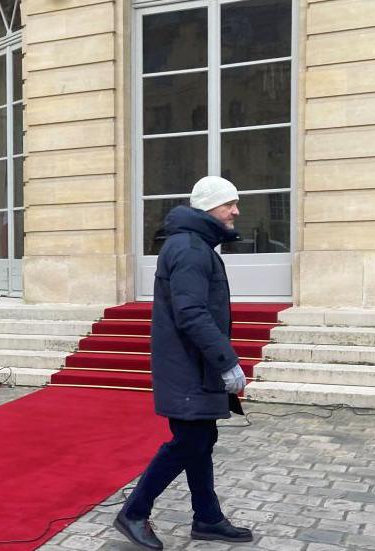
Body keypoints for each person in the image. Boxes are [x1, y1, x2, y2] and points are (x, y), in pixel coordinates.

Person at [113, 176, 253, 549]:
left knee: (200, 439)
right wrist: (227, 362)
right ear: (209, 208)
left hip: (191, 366)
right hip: (189, 368)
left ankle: (207, 518)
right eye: (229, 204)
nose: (236, 211)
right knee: (189, 441)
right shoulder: (191, 248)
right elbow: (191, 314)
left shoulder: (194, 245)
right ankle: (134, 512)